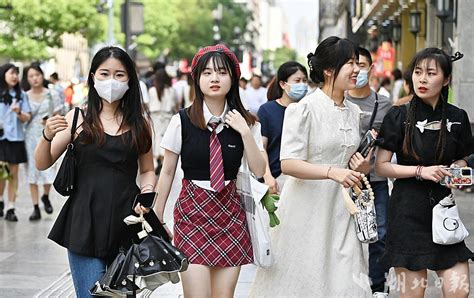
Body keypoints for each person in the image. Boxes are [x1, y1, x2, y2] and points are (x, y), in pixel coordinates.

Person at [250, 36, 372, 296]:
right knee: (304, 278)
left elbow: (351, 160)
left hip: (344, 210)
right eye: (350, 63)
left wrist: (360, 166)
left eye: (357, 63)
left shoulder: (353, 111)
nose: (356, 70)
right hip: (307, 209)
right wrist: (331, 172)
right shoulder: (304, 109)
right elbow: (289, 163)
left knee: (346, 282)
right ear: (329, 70)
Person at [34, 46, 155, 297]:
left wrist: (147, 194)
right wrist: (46, 136)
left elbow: (147, 170)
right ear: (92, 77)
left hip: (126, 223)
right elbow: (42, 163)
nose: (112, 80)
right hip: (83, 223)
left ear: (130, 80)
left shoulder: (140, 125)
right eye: (104, 73)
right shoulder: (77, 118)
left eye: (119, 75)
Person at [152, 44, 266, 297]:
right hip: (192, 216)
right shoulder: (180, 120)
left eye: (222, 72)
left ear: (233, 78)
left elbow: (259, 170)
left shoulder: (246, 123)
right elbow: (168, 171)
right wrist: (157, 215)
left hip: (231, 218)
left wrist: (245, 132)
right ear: (197, 79)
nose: (215, 78)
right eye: (207, 73)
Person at [375, 48, 474, 298]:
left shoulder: (458, 117)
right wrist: (421, 171)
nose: (422, 79)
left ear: (447, 79)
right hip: (407, 213)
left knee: (458, 292)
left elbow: (463, 156)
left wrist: (458, 167)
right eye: (418, 72)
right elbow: (382, 166)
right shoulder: (399, 116)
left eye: (431, 73)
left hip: (444, 211)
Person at [345, 46, 393, 296]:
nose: (357, 70)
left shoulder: (384, 104)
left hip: (375, 180)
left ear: (371, 69)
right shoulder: (339, 100)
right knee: (343, 234)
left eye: (362, 65)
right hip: (342, 181)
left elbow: (391, 142)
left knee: (381, 233)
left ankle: (377, 286)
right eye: (352, 64)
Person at [257, 61, 308, 194]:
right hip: (276, 179)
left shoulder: (308, 110)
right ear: (283, 84)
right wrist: (267, 176)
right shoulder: (267, 110)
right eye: (297, 80)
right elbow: (261, 147)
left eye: (304, 80)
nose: (302, 84)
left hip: (305, 178)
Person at [23, 63, 63, 221]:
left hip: (47, 134)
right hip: (29, 136)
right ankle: (35, 207)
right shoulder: (24, 96)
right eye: (31, 76)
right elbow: (24, 118)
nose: (34, 78)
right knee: (31, 170)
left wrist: (50, 121)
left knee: (47, 168)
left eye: (37, 75)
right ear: (27, 79)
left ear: (42, 75)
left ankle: (45, 196)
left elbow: (59, 113)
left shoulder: (52, 94)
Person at [0, 63, 32, 221]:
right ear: (3, 74)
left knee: (12, 174)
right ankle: (0, 201)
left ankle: (11, 207)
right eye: (11, 73)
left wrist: (19, 112)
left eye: (16, 74)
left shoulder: (22, 95)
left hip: (16, 139)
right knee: (0, 173)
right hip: (1, 139)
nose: (14, 76)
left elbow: (27, 117)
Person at [147, 68, 178, 175]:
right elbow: (175, 105)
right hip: (168, 117)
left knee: (156, 139)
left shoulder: (151, 90)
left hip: (155, 118)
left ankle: (157, 161)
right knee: (167, 139)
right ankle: (163, 162)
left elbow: (149, 105)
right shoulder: (171, 90)